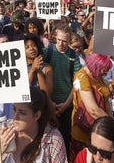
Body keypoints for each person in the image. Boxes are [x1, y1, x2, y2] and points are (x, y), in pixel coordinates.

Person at [0, 86, 67, 163]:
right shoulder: (2, 132)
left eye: (22, 113)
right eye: (14, 109)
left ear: (36, 115)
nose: (15, 116)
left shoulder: (53, 139)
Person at [43, 26, 81, 154]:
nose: (61, 43)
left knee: (64, 139)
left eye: (64, 41)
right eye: (58, 40)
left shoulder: (74, 57)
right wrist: (49, 102)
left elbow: (77, 83)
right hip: (48, 103)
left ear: (70, 40)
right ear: (55, 37)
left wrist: (65, 105)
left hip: (66, 104)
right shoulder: (46, 52)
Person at [71, 53, 112, 154]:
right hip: (84, 132)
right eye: (105, 69)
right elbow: (93, 110)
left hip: (99, 128)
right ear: (96, 66)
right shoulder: (82, 77)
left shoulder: (97, 76)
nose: (106, 72)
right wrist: (112, 125)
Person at [25, 33, 54, 97]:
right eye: (27, 47)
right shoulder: (21, 68)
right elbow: (23, 92)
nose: (31, 48)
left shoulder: (47, 68)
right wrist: (32, 70)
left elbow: (47, 94)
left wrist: (38, 71)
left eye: (34, 45)